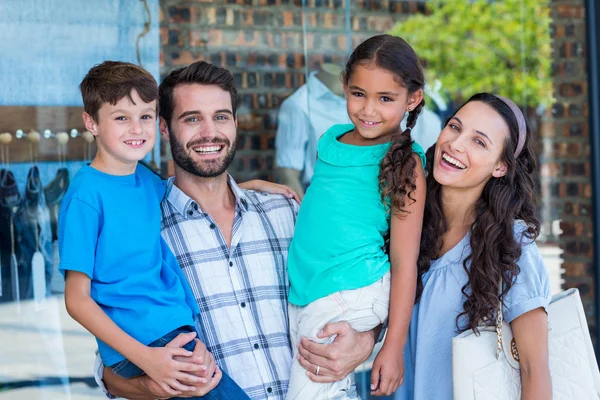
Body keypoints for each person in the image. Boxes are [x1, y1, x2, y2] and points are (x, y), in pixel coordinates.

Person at [94, 61, 382, 400]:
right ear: (164, 128)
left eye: (220, 117)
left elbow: (355, 287)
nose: (209, 132)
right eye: (191, 119)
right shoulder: (142, 232)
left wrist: (367, 338)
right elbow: (109, 370)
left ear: (234, 123)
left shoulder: (285, 211)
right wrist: (156, 386)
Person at [58, 61, 250, 399]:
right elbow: (77, 300)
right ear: (92, 123)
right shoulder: (85, 197)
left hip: (172, 328)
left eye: (145, 116)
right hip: (144, 341)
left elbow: (200, 187)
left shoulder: (144, 180)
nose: (136, 129)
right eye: (121, 118)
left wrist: (251, 186)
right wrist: (146, 357)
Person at [286, 34, 427, 399]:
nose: (368, 110)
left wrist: (392, 346)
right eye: (359, 94)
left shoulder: (407, 164)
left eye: (386, 99)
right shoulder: (331, 139)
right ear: (344, 86)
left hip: (355, 288)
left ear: (412, 99)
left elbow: (404, 259)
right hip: (310, 287)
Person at [395, 93, 552, 400]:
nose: (455, 144)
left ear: (500, 167)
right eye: (455, 127)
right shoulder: (409, 223)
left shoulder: (510, 244)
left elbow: (536, 371)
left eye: (479, 142)